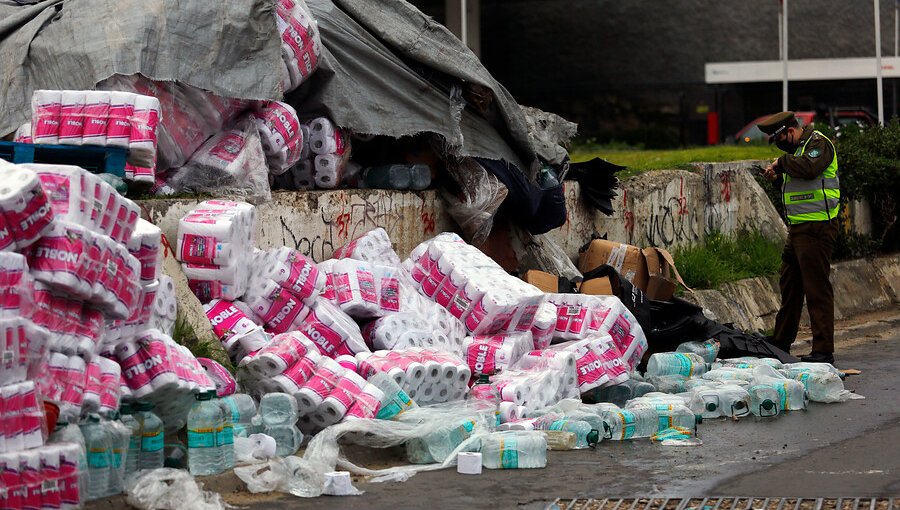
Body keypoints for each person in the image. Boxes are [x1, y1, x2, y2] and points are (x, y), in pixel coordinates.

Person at [758, 111, 840, 364]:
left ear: (791, 130)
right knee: (790, 287)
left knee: (816, 289)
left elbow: (809, 169)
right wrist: (777, 178)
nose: (781, 143)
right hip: (798, 229)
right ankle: (781, 341)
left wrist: (782, 163)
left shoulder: (818, 144)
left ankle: (823, 351)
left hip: (817, 228)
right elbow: (796, 187)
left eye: (781, 137)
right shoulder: (797, 151)